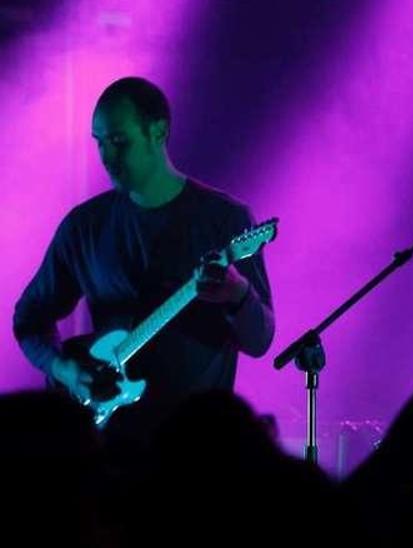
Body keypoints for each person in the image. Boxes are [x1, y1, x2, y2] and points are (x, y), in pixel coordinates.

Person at [12, 76, 274, 451]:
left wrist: (237, 292)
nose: (106, 156)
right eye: (99, 142)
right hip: (110, 449)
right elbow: (30, 318)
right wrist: (65, 371)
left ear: (159, 131)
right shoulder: (85, 226)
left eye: (119, 141)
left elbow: (260, 339)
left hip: (198, 450)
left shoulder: (224, 219)